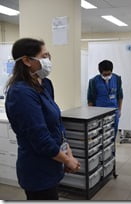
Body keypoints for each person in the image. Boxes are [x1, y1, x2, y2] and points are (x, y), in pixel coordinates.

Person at [5, 38, 80, 200]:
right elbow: (40, 139)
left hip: (53, 163)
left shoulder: (45, 84)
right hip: (37, 170)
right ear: (26, 60)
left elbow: (57, 124)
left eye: (49, 56)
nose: (48, 61)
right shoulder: (21, 93)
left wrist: (68, 152)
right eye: (44, 56)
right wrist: (67, 160)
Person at [87, 60, 123, 137]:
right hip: (98, 113)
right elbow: (90, 99)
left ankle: (112, 149)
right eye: (104, 74)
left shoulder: (117, 79)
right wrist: (91, 115)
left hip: (114, 112)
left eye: (109, 74)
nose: (107, 76)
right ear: (100, 72)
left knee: (112, 133)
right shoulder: (93, 81)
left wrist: (119, 110)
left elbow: (120, 96)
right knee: (100, 135)